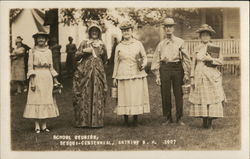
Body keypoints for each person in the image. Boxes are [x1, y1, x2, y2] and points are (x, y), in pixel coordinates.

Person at [151, 18, 191, 126]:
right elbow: (156, 60)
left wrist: (186, 73)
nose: (168, 29)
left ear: (173, 28)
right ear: (164, 29)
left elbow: (186, 58)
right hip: (165, 68)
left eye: (170, 26)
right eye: (166, 27)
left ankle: (179, 118)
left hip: (177, 68)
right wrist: (157, 76)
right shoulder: (161, 44)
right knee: (165, 93)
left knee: (179, 93)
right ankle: (168, 117)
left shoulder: (180, 42)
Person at [112, 20, 150, 126]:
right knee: (125, 96)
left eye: (128, 30)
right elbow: (116, 62)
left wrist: (144, 64)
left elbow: (144, 56)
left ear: (131, 31)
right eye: (123, 31)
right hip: (123, 74)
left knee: (135, 96)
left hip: (136, 73)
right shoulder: (119, 46)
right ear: (122, 32)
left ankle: (135, 119)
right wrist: (114, 77)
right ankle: (125, 120)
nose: (126, 32)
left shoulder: (138, 44)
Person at [188, 24, 226, 129]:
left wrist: (211, 60)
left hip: (211, 74)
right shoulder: (196, 49)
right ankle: (204, 120)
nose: (205, 37)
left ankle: (210, 121)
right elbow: (193, 64)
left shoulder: (214, 48)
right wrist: (192, 77)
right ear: (200, 37)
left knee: (212, 97)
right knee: (202, 97)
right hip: (199, 74)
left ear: (210, 37)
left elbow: (221, 61)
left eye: (207, 35)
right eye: (203, 35)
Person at [23, 32, 60, 134]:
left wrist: (56, 81)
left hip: (47, 77)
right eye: (39, 38)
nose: (41, 40)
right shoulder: (32, 51)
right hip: (37, 76)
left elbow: (51, 67)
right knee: (36, 100)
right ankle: (37, 126)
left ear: (46, 40)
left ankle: (44, 125)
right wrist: (33, 81)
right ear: (36, 40)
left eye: (43, 38)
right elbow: (30, 67)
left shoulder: (48, 51)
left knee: (45, 99)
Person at [73, 21, 108, 128]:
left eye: (96, 31)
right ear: (89, 32)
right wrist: (84, 51)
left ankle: (96, 122)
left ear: (99, 33)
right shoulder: (84, 42)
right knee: (84, 94)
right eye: (92, 31)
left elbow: (105, 59)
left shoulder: (102, 44)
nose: (94, 33)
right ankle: (83, 121)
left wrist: (101, 53)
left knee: (98, 93)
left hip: (98, 71)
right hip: (85, 72)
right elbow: (76, 57)